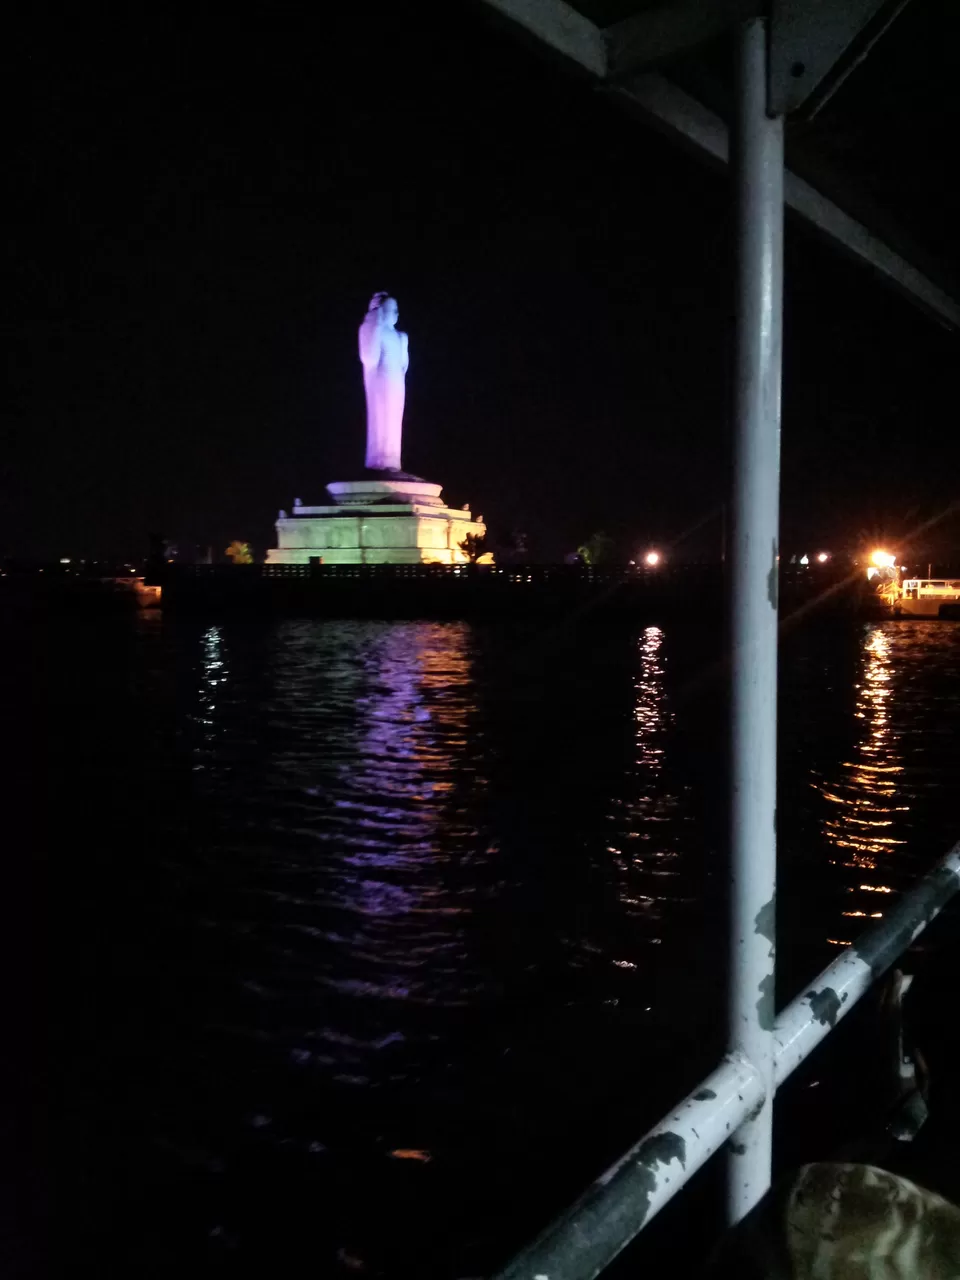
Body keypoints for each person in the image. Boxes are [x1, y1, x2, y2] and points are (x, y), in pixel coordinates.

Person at [358, 293, 408, 471]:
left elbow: (404, 365)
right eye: (391, 309)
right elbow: (369, 357)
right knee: (381, 418)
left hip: (396, 383)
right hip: (381, 381)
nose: (396, 313)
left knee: (394, 421)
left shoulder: (401, 337)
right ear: (381, 310)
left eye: (397, 310)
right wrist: (374, 324)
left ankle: (393, 460)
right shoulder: (373, 328)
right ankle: (378, 460)